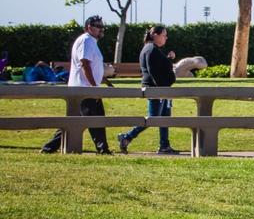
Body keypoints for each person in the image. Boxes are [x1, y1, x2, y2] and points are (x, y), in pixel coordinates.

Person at [40, 16, 113, 154]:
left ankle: (103, 149)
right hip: (84, 89)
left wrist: (104, 81)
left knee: (89, 119)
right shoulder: (86, 41)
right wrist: (94, 87)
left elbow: (93, 65)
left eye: (102, 26)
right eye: (98, 26)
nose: (101, 28)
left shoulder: (90, 41)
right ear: (89, 27)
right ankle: (103, 149)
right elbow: (84, 63)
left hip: (86, 88)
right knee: (89, 120)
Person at [118, 25, 181, 155]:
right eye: (164, 35)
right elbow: (154, 72)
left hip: (161, 89)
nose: (166, 38)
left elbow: (159, 67)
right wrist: (162, 89)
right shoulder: (151, 49)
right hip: (156, 89)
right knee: (153, 118)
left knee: (164, 117)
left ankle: (164, 145)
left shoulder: (152, 49)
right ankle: (127, 137)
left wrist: (168, 59)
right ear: (156, 35)